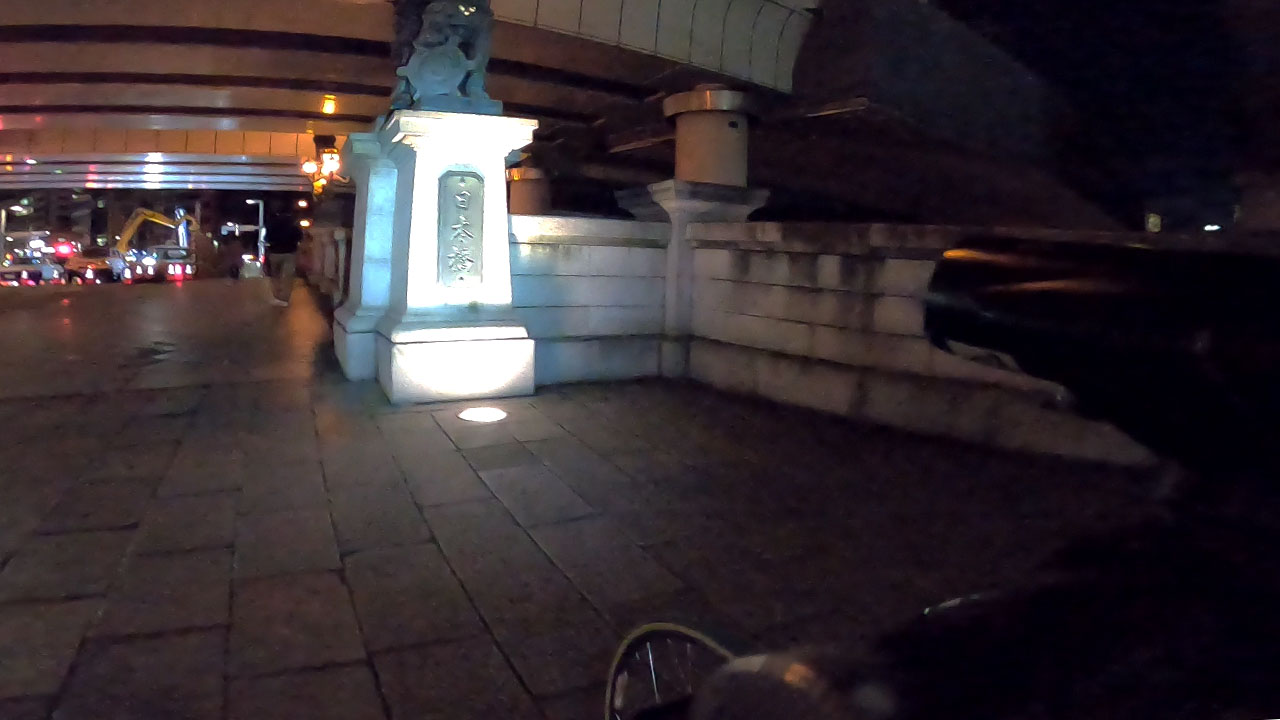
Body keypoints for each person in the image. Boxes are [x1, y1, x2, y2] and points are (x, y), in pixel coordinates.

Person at [264, 201, 303, 306]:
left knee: (275, 276)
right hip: (290, 252)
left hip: (275, 252)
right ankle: (285, 299)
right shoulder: (293, 224)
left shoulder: (272, 223)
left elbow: (267, 238)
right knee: (287, 277)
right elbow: (299, 236)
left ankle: (276, 295)